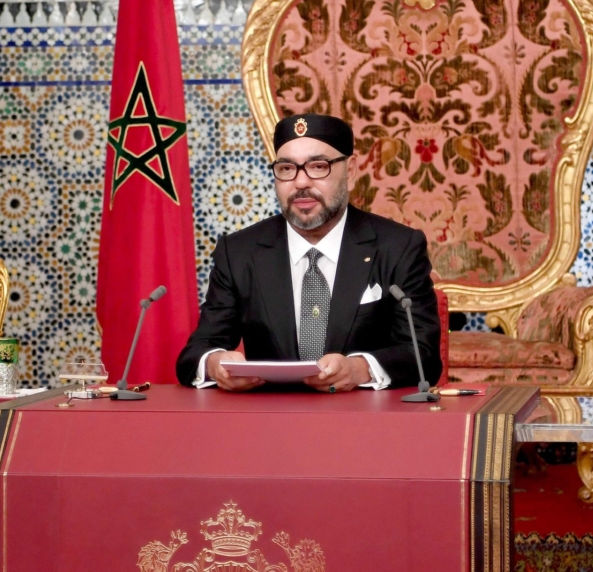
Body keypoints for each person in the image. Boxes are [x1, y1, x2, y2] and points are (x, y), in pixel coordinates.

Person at [175, 113, 441, 392]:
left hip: (363, 415)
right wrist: (215, 364)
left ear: (350, 171)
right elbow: (195, 353)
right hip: (270, 413)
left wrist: (360, 369)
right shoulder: (240, 252)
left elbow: (424, 356)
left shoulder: (398, 247)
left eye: (318, 166)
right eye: (287, 168)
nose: (301, 182)